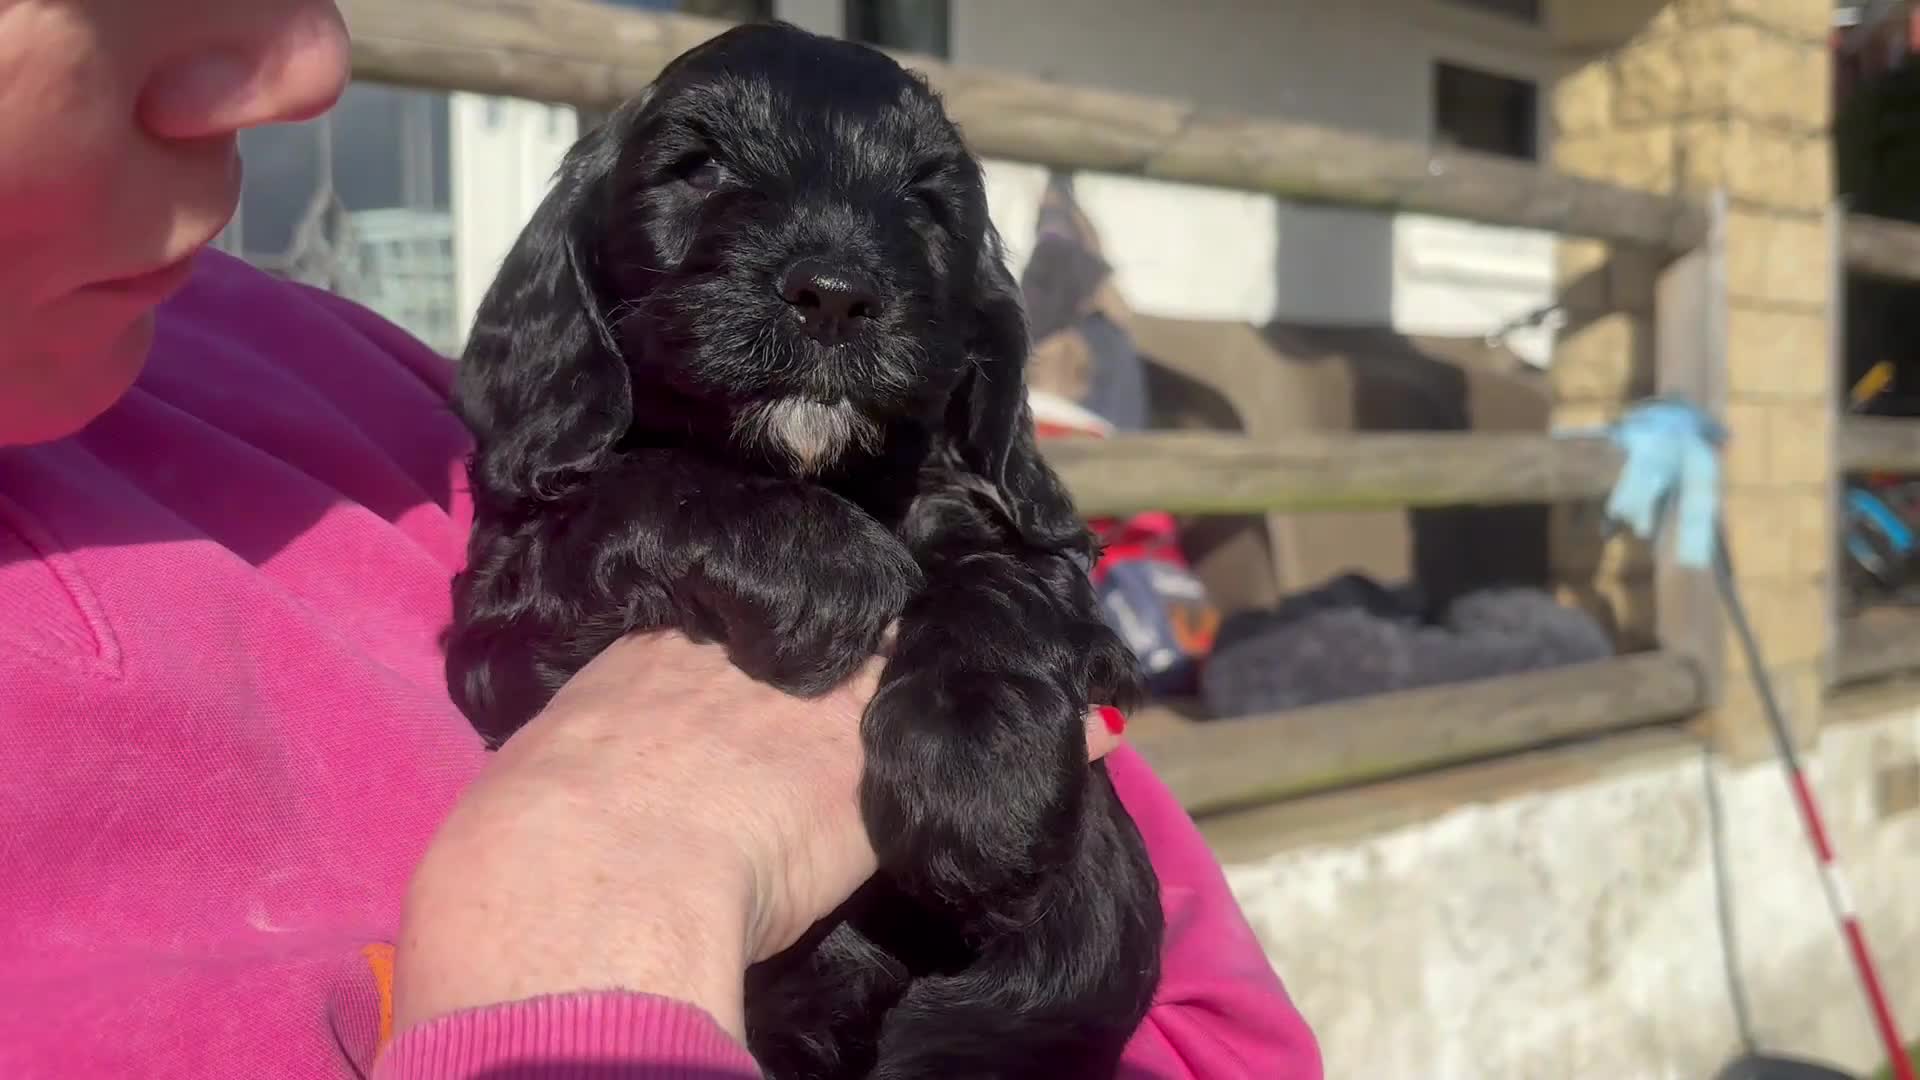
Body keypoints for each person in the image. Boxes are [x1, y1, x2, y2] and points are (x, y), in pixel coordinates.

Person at [0, 1, 1323, 1077]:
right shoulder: (541, 450)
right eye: (700, 171)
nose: (303, 60)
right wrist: (598, 906)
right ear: (583, 259)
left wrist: (1009, 614)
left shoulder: (348, 386)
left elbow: (1216, 1036)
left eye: (920, 210)